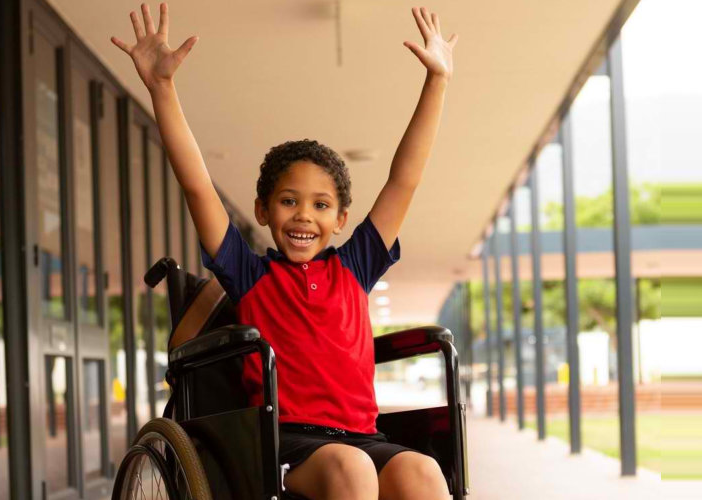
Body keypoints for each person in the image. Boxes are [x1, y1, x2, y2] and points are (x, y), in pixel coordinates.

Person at [112, 4, 456, 499]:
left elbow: (405, 179)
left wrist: (437, 81)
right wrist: (161, 89)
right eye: (289, 202)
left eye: (321, 206)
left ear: (340, 220)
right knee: (353, 472)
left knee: (423, 473)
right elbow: (196, 186)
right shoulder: (249, 273)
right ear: (263, 210)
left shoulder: (355, 266)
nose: (303, 216)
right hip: (287, 442)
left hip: (363, 436)